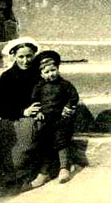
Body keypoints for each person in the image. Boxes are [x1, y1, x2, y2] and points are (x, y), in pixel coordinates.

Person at [0, 37, 44, 196]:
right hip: (12, 118)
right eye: (21, 57)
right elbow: (0, 108)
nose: (26, 60)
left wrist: (40, 109)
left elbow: (51, 95)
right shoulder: (7, 77)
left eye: (29, 56)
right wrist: (22, 111)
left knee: (21, 153)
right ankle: (0, 182)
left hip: (34, 120)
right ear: (14, 56)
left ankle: (21, 180)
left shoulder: (40, 74)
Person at [29, 50, 80, 187]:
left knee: (61, 141)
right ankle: (44, 172)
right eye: (47, 72)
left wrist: (69, 107)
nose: (51, 74)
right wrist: (37, 111)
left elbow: (73, 96)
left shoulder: (64, 84)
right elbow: (34, 100)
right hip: (45, 120)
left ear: (57, 69)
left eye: (53, 70)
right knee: (45, 143)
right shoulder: (39, 86)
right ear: (41, 74)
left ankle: (64, 168)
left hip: (61, 119)